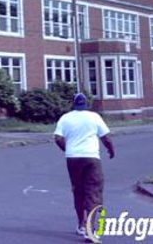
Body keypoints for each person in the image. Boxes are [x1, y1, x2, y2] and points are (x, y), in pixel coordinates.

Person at [54, 93, 115, 243]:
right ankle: (90, 230)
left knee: (78, 190)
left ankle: (81, 224)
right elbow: (105, 137)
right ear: (86, 104)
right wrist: (110, 149)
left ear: (73, 104)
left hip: (73, 159)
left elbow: (57, 138)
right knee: (93, 192)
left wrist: (68, 150)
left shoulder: (65, 118)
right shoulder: (94, 117)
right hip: (91, 158)